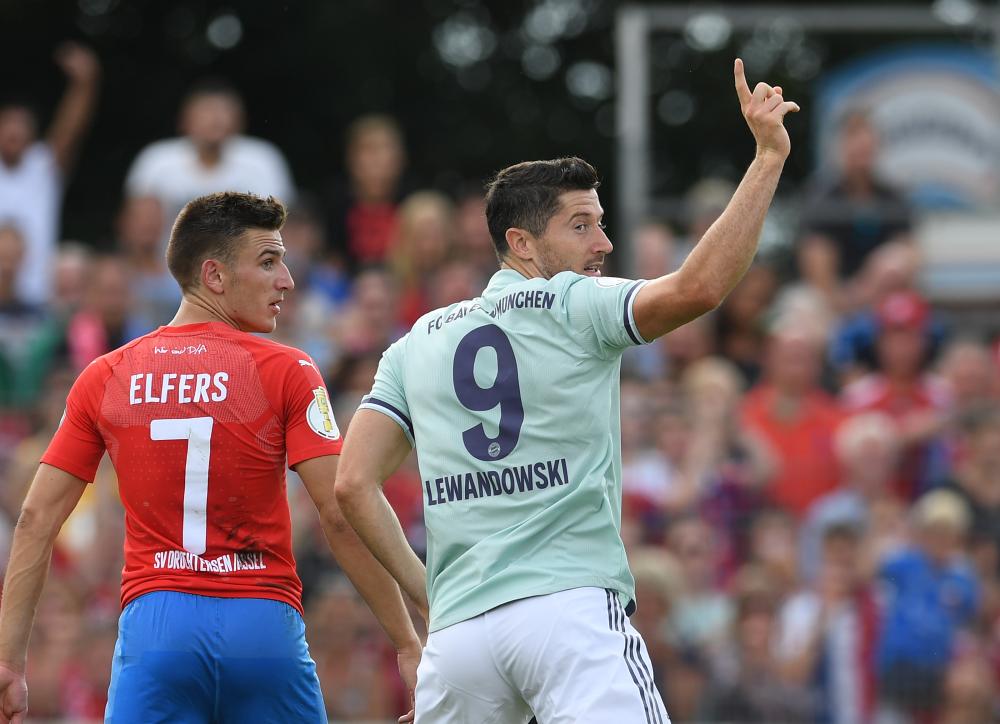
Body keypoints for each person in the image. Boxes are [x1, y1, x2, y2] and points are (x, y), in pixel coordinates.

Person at [335, 58, 798, 722]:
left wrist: (430, 596)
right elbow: (697, 289)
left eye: (601, 221)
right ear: (522, 244)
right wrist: (768, 159)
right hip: (569, 616)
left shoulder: (416, 341)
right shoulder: (573, 304)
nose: (603, 242)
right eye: (581, 225)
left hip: (462, 642)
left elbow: (353, 484)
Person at [0, 192, 421, 723]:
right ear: (215, 276)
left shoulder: (106, 375)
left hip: (157, 629)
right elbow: (339, 513)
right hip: (262, 624)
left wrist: (9, 662)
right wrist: (407, 638)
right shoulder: (290, 369)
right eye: (268, 262)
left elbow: (36, 518)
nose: (286, 280)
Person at [124, 79, 295, 243]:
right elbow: (135, 227)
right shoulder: (157, 161)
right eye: (206, 111)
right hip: (168, 266)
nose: (215, 118)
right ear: (184, 119)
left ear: (240, 119)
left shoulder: (262, 161)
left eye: (223, 111)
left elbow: (282, 228)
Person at [0, 42, 100, 305]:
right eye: (7, 124)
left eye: (22, 126)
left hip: (38, 300)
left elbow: (70, 132)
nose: (14, 132)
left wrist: (85, 83)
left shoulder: (42, 166)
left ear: (33, 134)